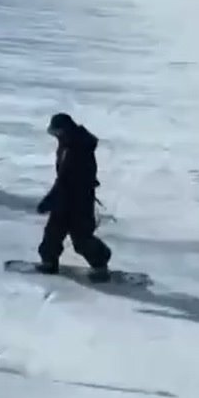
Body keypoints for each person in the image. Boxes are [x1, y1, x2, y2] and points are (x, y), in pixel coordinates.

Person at [35, 113, 113, 280]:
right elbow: (63, 178)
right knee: (53, 232)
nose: (55, 136)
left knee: (81, 238)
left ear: (64, 130)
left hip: (79, 200)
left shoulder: (78, 147)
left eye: (56, 132)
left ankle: (100, 264)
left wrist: (49, 200)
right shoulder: (68, 143)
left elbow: (68, 180)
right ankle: (49, 262)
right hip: (65, 198)